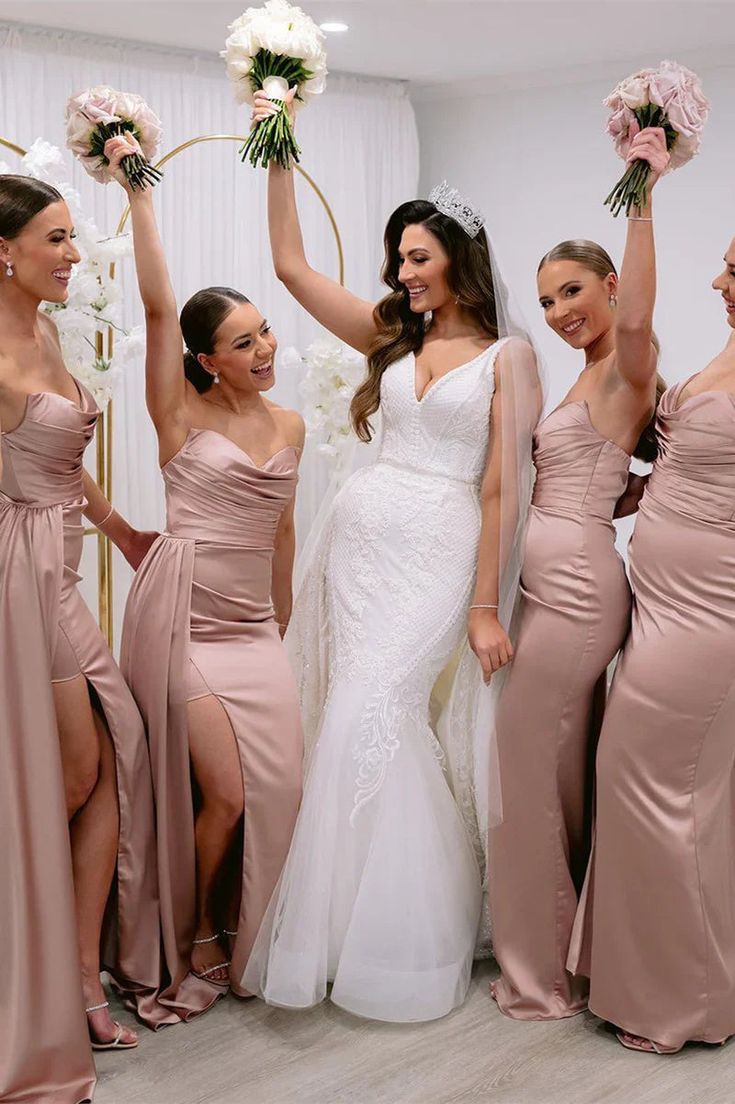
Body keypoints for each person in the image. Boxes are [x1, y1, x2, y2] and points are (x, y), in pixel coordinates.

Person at [243, 90, 541, 1023]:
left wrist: (488, 605)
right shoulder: (391, 336)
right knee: (346, 715)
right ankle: (336, 932)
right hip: (361, 540)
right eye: (397, 258)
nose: (403, 272)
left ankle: (401, 945)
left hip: (440, 548)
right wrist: (278, 140)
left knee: (380, 709)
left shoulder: (508, 357)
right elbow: (290, 268)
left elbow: (501, 486)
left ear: (457, 255)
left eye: (417, 256)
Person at [103, 134, 304, 1021]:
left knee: (282, 791)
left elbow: (284, 528)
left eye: (263, 331)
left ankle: (248, 932)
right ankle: (185, 939)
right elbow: (154, 311)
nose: (263, 347)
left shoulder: (291, 421)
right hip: (183, 619)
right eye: (241, 340)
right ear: (203, 359)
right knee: (221, 792)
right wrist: (139, 194)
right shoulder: (177, 414)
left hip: (255, 631)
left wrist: (283, 619)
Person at [488, 126, 669, 1020]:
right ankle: (569, 954)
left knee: (526, 768)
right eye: (547, 297)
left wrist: (641, 188)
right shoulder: (584, 377)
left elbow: (635, 317)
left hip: (578, 593)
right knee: (553, 771)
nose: (560, 310)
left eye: (573, 291)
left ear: (607, 286)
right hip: (549, 588)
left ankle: (540, 976)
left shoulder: (627, 364)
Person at [0, 174, 160, 1103]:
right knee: (69, 772)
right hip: (23, 573)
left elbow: (65, 465)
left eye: (71, 236)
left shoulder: (51, 332)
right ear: (5, 252)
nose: (71, 253)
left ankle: (79, 977)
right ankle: (39, 977)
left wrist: (121, 529)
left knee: (109, 752)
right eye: (55, 239)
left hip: (62, 557)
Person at [571, 208, 735, 1055]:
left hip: (712, 615)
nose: (719, 284)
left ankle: (681, 1001)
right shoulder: (721, 356)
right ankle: (665, 978)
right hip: (660, 600)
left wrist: (640, 195)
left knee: (651, 783)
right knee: (678, 795)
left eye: (734, 273)